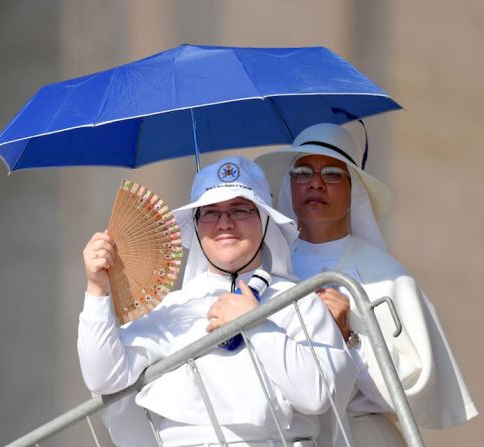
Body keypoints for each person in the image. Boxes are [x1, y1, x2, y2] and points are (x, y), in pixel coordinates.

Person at [77, 156, 358, 447]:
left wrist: (256, 324)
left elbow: (316, 396)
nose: (224, 223)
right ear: (196, 227)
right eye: (210, 213)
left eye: (239, 210)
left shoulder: (300, 303)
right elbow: (104, 378)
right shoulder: (171, 310)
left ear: (264, 221)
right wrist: (97, 290)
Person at [255, 123, 478, 445]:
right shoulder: (263, 270)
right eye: (302, 172)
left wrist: (350, 337)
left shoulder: (388, 277)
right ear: (289, 186)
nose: (315, 183)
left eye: (332, 173)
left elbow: (415, 392)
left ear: (353, 190)